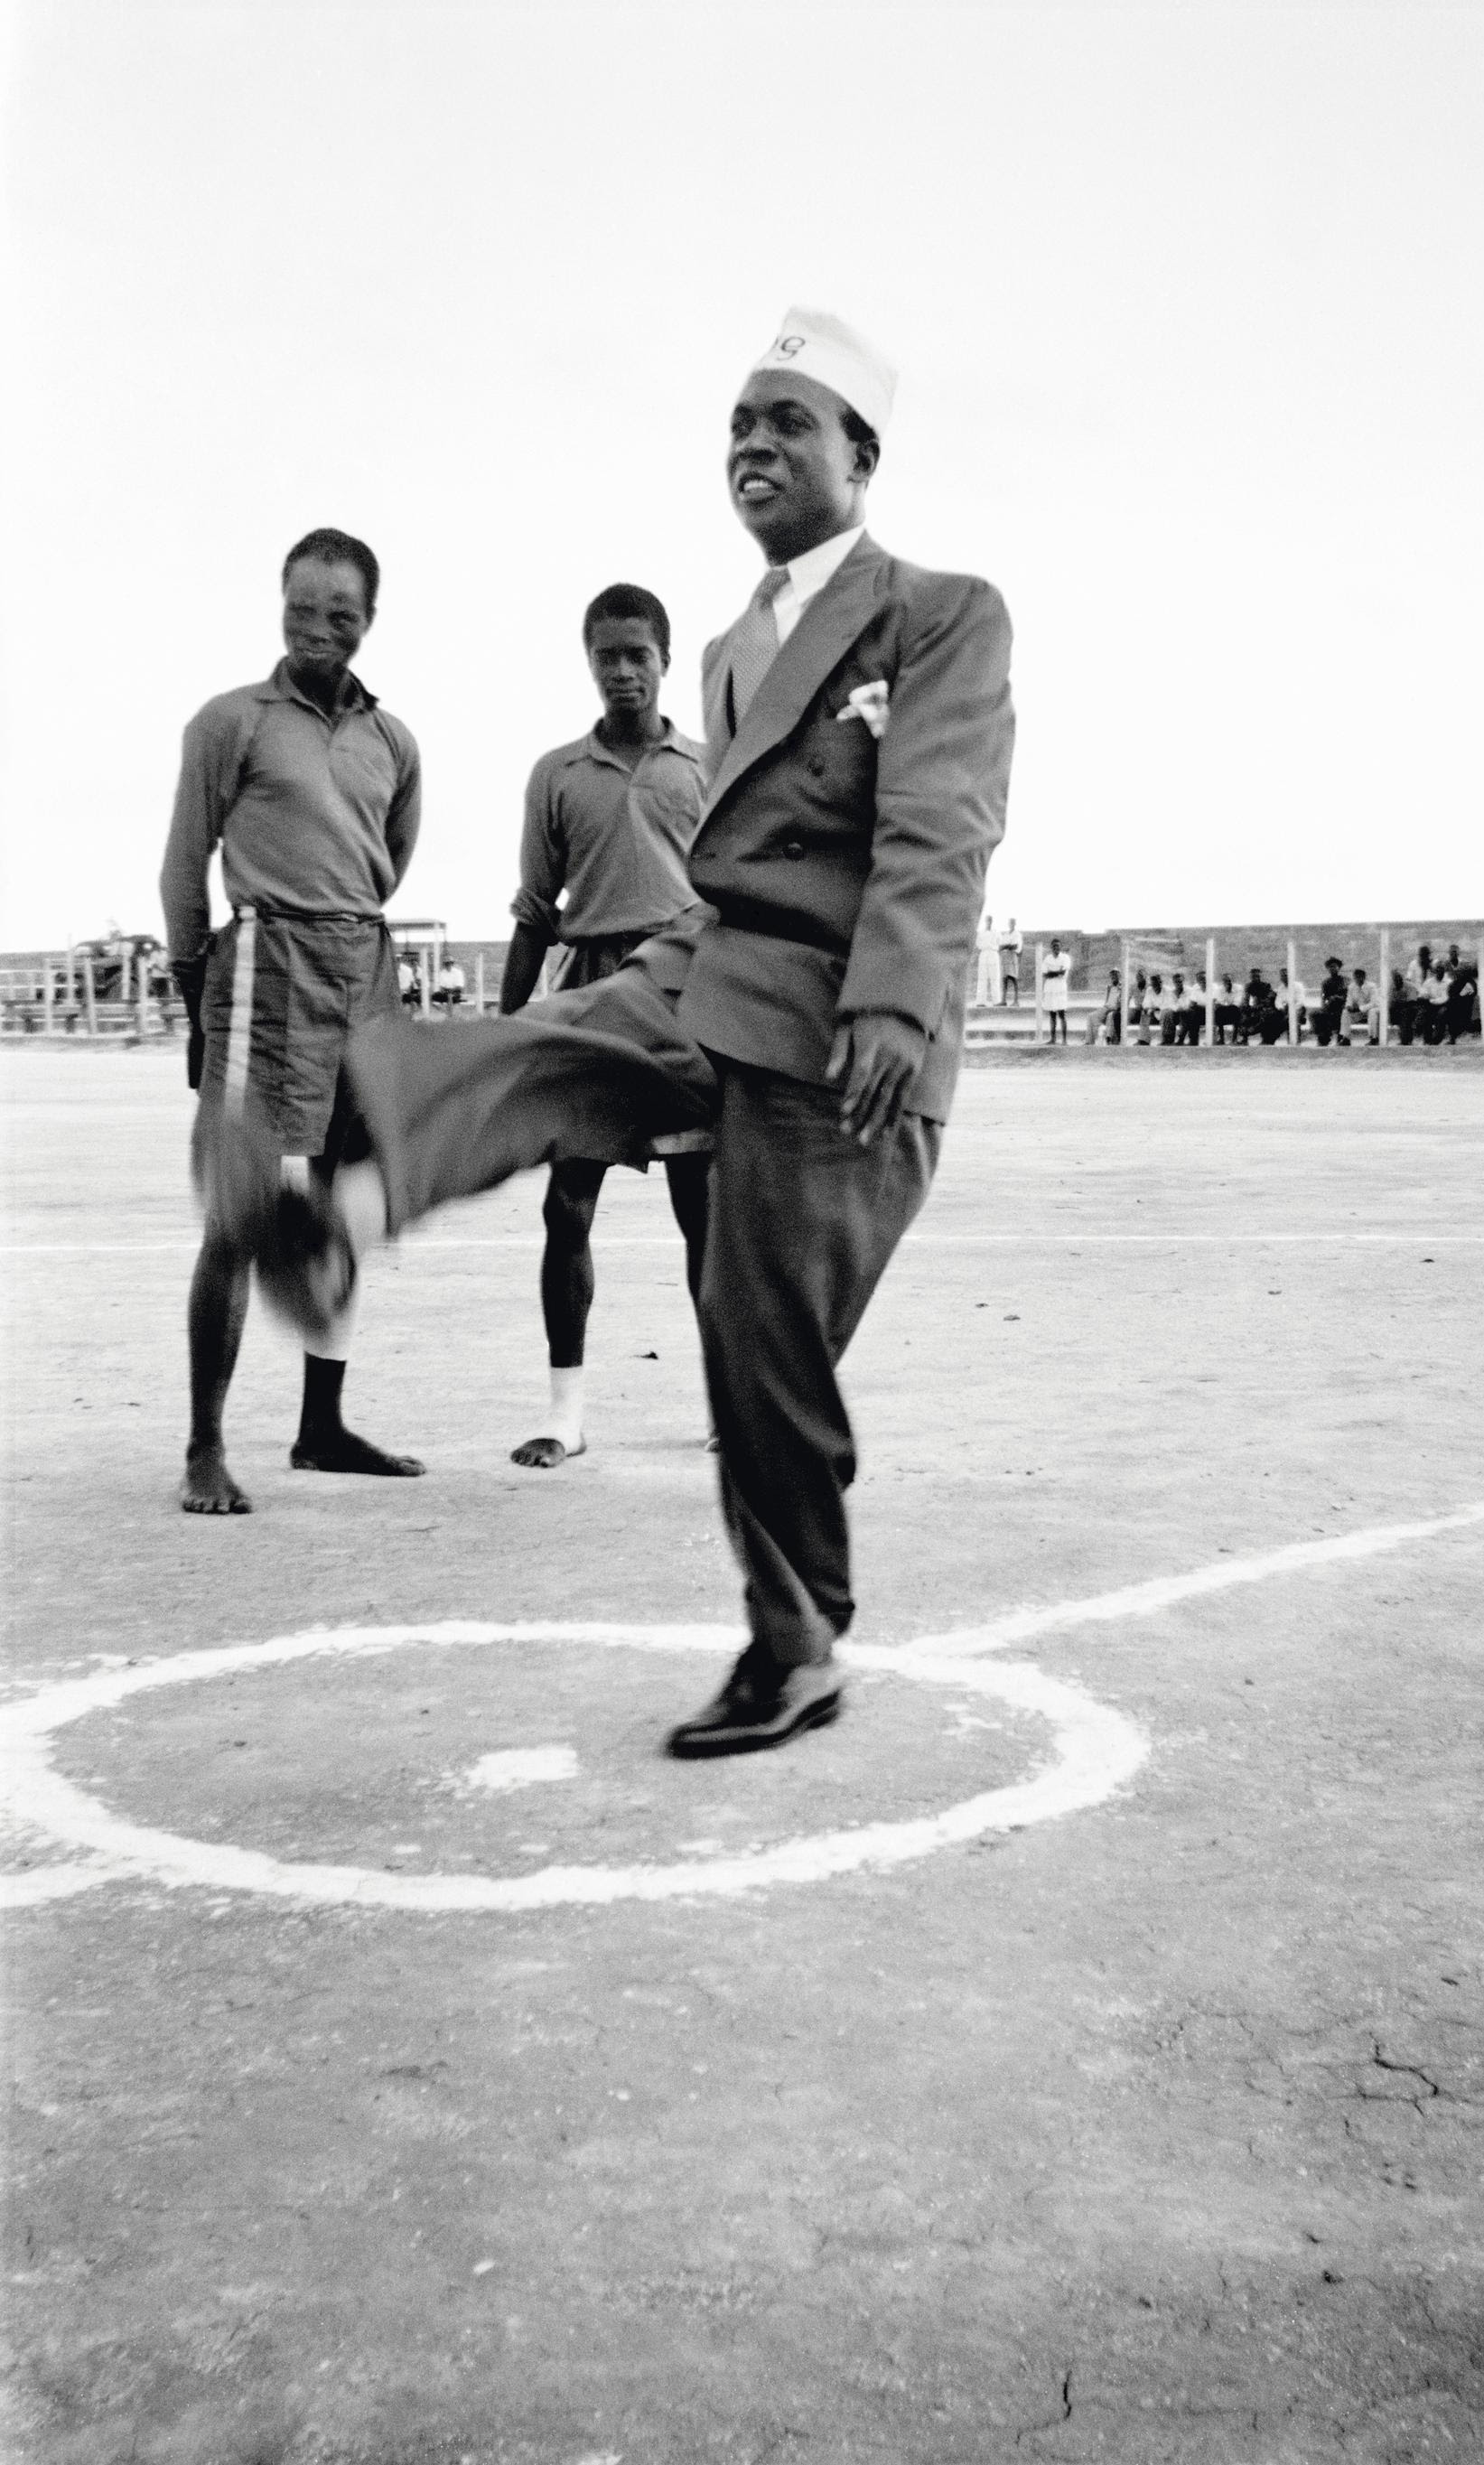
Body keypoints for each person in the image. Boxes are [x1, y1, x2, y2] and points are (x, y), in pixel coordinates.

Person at [210, 306, 1013, 1760]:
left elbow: (938, 828)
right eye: (737, 426)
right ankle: (344, 1217)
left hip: (844, 1025)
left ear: (864, 452)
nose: (753, 446)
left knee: (757, 1339)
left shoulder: (944, 611)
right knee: (537, 1042)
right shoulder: (726, 646)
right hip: (705, 962)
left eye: (788, 423)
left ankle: (798, 1644)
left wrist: (901, 1002)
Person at [159, 527, 425, 1514]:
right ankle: (204, 1446)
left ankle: (323, 1427)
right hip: (263, 968)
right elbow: (184, 868)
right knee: (237, 1213)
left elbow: (388, 856)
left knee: (344, 1203)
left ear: (369, 620)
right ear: (280, 605)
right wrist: (200, 993)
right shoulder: (229, 722)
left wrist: (350, 932)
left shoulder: (394, 739)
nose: (321, 630)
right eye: (303, 610)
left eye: (342, 615)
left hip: (363, 968)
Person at [498, 583, 712, 1469]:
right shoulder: (557, 773)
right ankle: (566, 1414)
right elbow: (534, 910)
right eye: (607, 656)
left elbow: (738, 900)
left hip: (680, 997)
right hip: (590, 996)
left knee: (703, 1215)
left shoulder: (706, 765)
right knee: (567, 1206)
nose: (623, 671)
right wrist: (508, 1031)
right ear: (589, 661)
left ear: (664, 659)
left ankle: (728, 1408)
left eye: (639, 655)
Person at [1040, 938, 1072, 1043]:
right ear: (1051, 948)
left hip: (1060, 988)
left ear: (1060, 947)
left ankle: (1064, 1040)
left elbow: (1063, 972)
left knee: (1062, 1014)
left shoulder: (1065, 957)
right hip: (1050, 988)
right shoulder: (1047, 958)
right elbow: (1044, 974)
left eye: (1057, 946)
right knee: (1052, 1014)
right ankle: (1053, 1039)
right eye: (1054, 946)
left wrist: (1052, 973)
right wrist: (1056, 972)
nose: (1056, 948)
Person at [1315, 956, 1348, 1046]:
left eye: (1334, 966)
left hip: (1342, 1006)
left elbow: (1347, 996)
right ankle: (1323, 1038)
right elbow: (1323, 997)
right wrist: (1324, 1006)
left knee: (1340, 1015)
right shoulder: (1326, 982)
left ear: (1339, 968)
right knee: (1318, 1014)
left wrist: (1336, 998)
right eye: (1330, 967)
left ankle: (1341, 1038)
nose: (1332, 969)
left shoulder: (1345, 981)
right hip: (1330, 1006)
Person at [974, 912, 998, 1006]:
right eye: (987, 920)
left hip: (993, 954)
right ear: (985, 922)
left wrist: (992, 947)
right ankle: (980, 1001)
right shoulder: (981, 933)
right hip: (984, 954)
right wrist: (985, 946)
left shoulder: (996, 932)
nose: (989, 922)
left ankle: (996, 1001)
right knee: (982, 978)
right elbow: (978, 944)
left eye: (990, 920)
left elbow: (999, 943)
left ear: (992, 921)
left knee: (994, 978)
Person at [998, 916, 1023, 1004]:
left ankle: (1016, 1001)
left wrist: (1006, 946)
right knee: (1004, 979)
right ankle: (1003, 1000)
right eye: (1010, 923)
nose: (1011, 924)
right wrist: (1007, 946)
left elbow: (1015, 946)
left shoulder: (1017, 934)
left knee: (1014, 978)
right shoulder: (1006, 934)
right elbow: (1000, 946)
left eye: (1012, 922)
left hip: (1013, 956)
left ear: (1015, 924)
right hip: (1005, 957)